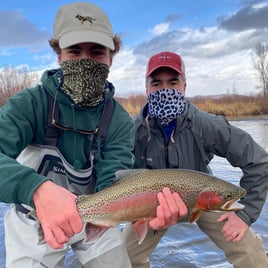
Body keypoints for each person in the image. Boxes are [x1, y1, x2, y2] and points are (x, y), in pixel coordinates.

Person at [0, 4, 187, 268]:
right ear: (59, 56)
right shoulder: (29, 105)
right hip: (34, 217)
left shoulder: (119, 120)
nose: (86, 61)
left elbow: (113, 185)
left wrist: (143, 211)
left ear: (111, 58)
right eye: (75, 51)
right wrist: (36, 189)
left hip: (100, 216)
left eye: (97, 52)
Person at [123, 51, 268, 268]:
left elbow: (259, 162)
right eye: (156, 84)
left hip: (204, 200)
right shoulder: (131, 131)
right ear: (147, 89)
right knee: (121, 258)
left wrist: (245, 214)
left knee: (249, 251)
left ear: (184, 87)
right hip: (154, 206)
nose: (165, 90)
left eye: (173, 82)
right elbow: (118, 177)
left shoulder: (205, 125)